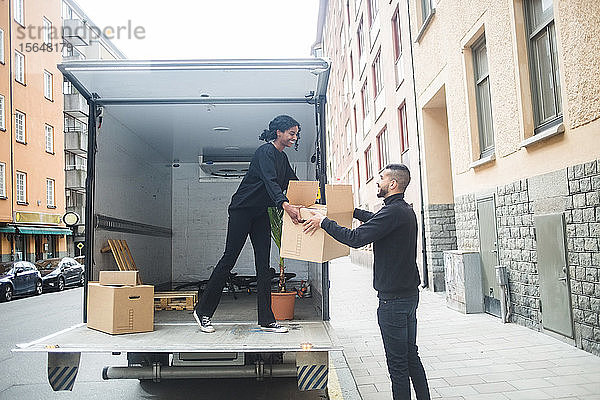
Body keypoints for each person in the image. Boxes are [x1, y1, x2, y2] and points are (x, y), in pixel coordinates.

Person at [303, 164, 430, 400]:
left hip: (393, 301)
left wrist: (323, 222)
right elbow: (375, 220)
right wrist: (351, 211)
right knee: (411, 357)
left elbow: (356, 238)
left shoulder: (392, 213)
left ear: (393, 184)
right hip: (408, 296)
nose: (377, 182)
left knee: (398, 365)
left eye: (381, 178)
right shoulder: (402, 210)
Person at [194, 115, 302, 334]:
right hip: (242, 210)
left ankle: (266, 320)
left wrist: (315, 200)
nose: (294, 137)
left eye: (296, 134)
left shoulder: (282, 159)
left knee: (263, 266)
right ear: (279, 132)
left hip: (261, 213)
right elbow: (270, 182)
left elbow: (294, 184)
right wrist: (285, 205)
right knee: (229, 260)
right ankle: (203, 312)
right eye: (292, 133)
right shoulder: (265, 152)